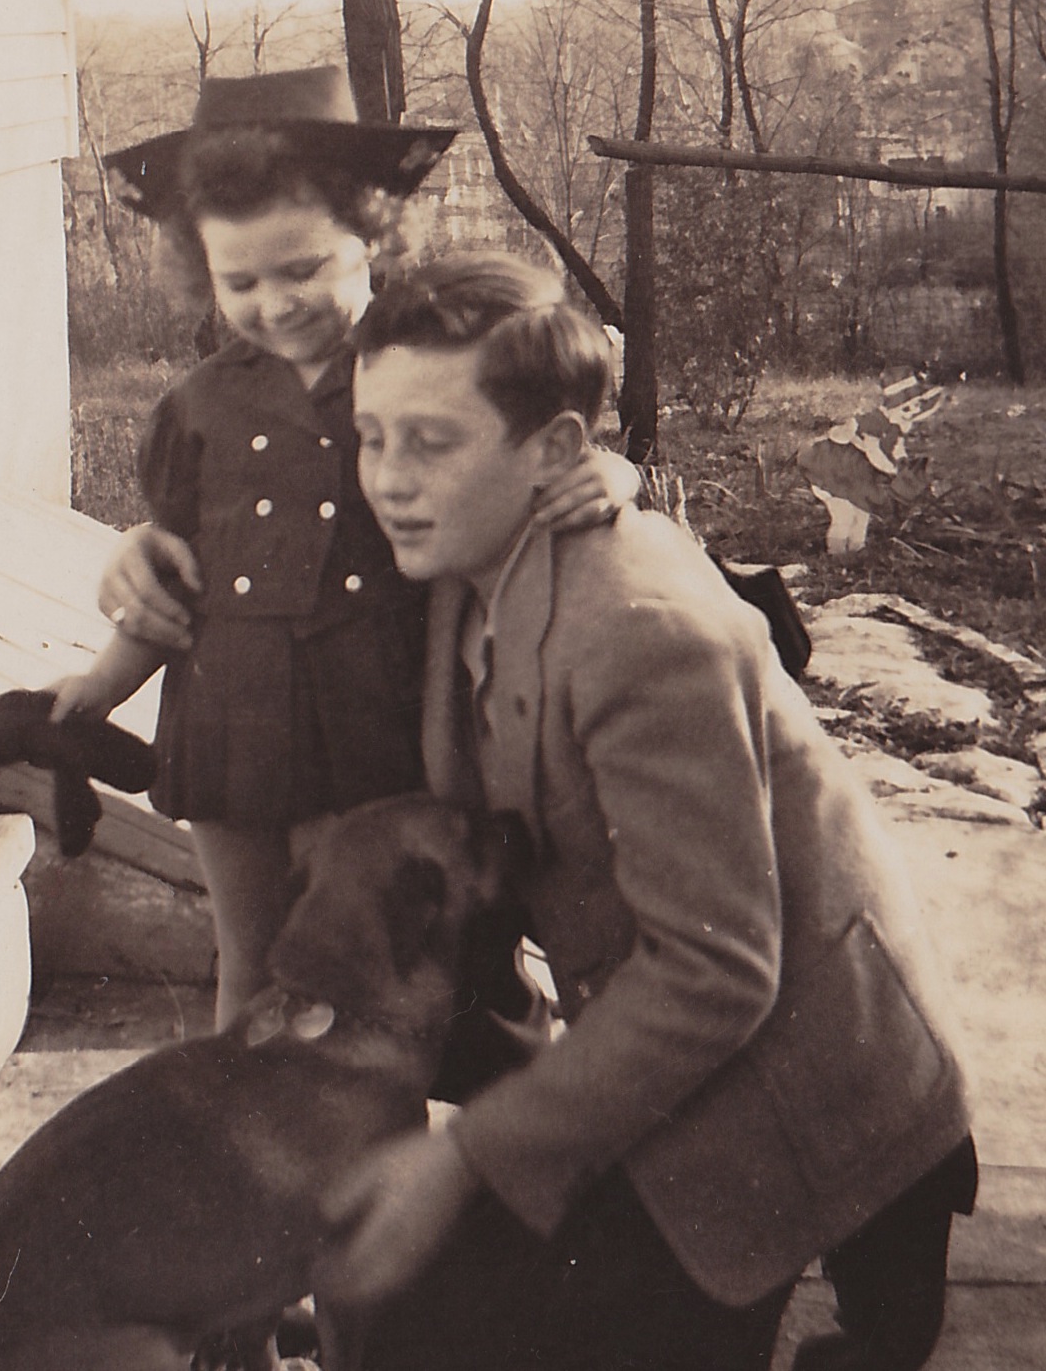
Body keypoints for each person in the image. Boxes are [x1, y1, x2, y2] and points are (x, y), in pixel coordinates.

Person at [319, 253, 976, 1371]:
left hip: (808, 1099)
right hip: (667, 1061)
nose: (387, 478)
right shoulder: (463, 563)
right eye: (372, 436)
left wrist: (467, 1154)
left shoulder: (638, 629)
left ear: (551, 454)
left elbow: (716, 972)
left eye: (429, 441)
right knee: (424, 1321)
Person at [54, 72, 639, 1027]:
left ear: (373, 235)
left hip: (384, 727)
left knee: (395, 972)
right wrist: (103, 681)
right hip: (231, 728)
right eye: (241, 282)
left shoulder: (428, 371)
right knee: (251, 969)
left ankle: (455, 1114)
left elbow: (535, 448)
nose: (276, 304)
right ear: (203, 273)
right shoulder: (197, 406)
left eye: (303, 270)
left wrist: (611, 476)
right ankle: (251, 1118)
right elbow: (176, 583)